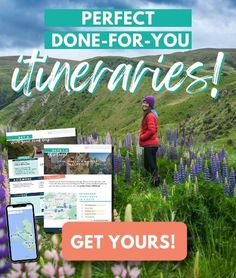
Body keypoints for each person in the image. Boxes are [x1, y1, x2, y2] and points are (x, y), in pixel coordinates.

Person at [139, 95, 161, 186]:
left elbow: (152, 130)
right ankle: (155, 182)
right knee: (150, 165)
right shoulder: (149, 114)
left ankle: (156, 182)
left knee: (150, 166)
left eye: (146, 103)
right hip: (150, 144)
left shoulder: (150, 116)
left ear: (150, 105)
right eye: (144, 102)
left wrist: (142, 137)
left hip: (150, 145)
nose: (144, 104)